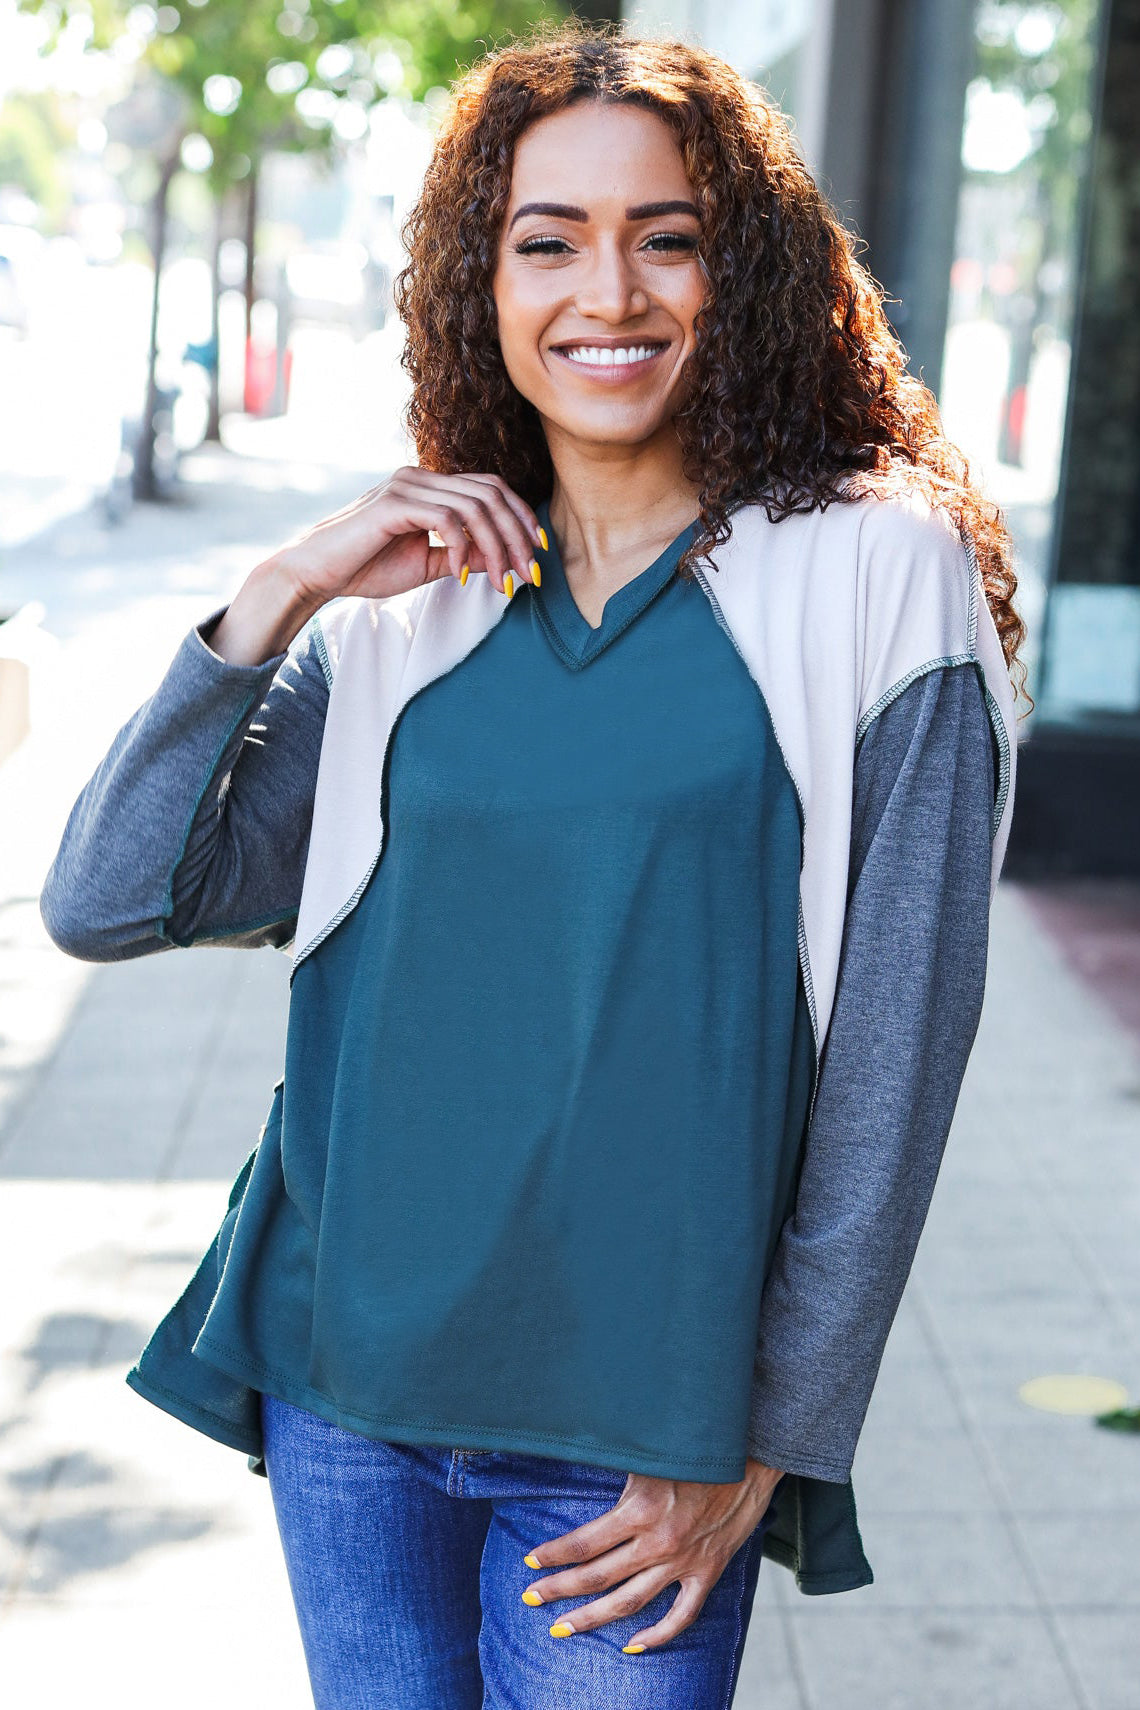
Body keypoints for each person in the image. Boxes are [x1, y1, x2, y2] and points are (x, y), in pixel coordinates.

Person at [39, 24, 1024, 1710]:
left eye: (669, 236)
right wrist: (277, 595)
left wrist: (770, 1431)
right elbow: (109, 895)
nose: (609, 291)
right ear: (482, 280)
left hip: (645, 1435)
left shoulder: (876, 572)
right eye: (547, 238)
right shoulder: (418, 592)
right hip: (356, 1388)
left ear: (749, 270)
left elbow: (895, 1062)